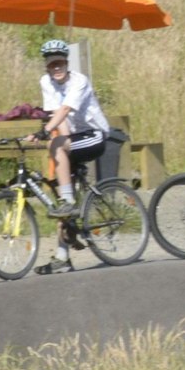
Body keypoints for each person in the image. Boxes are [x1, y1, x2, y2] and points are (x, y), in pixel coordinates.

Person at [30, 39, 112, 273]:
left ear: (67, 63)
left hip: (94, 135)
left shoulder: (79, 81)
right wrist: (58, 142)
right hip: (73, 139)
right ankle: (62, 256)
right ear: (46, 66)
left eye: (60, 63)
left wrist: (47, 133)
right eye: (52, 64)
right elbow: (60, 118)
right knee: (61, 199)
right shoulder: (46, 82)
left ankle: (69, 204)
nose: (56, 68)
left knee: (56, 150)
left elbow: (66, 109)